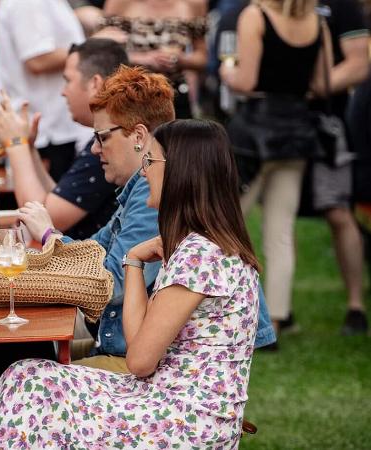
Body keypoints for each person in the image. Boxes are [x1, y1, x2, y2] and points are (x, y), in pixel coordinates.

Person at [0, 119, 262, 449]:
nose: (144, 172)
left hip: (180, 421)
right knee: (25, 377)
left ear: (180, 173)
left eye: (151, 161)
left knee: (30, 385)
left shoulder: (200, 253)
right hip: (177, 408)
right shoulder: (212, 245)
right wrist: (133, 261)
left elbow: (140, 362)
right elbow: (139, 342)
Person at [17, 66, 276, 371]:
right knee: (26, 367)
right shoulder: (194, 235)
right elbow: (91, 258)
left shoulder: (192, 248)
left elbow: (134, 348)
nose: (95, 148)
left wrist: (53, 238)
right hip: (160, 379)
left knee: (26, 373)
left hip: (162, 393)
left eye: (101, 137)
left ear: (140, 136)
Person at [220, 0, 329, 342]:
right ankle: (277, 320)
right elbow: (322, 84)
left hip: (254, 133)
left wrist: (226, 69)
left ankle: (223, 313)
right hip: (297, 131)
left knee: (225, 224)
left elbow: (245, 80)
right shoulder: (317, 22)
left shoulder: (256, 15)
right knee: (280, 231)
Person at [0, 38, 128, 239]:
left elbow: (47, 219)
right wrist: (29, 150)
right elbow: (58, 199)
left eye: (67, 80)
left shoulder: (110, 144)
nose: (63, 91)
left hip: (88, 265)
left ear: (95, 83)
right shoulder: (102, 139)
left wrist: (15, 144)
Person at [307, 0, 369, 335]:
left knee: (338, 212)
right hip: (272, 124)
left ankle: (356, 306)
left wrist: (315, 87)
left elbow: (359, 65)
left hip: (327, 125)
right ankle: (271, 310)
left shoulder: (342, 5)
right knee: (272, 219)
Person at [0, 0, 94, 181]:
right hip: (43, 131)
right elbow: (37, 59)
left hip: (49, 129)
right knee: (44, 205)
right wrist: (93, 46)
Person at [97, 0, 209, 118]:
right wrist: (143, 59)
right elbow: (102, 51)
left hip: (173, 94)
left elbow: (203, 59)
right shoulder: (118, 3)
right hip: (128, 93)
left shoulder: (194, 3)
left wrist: (179, 60)